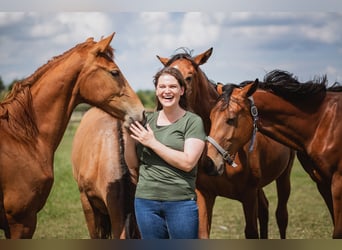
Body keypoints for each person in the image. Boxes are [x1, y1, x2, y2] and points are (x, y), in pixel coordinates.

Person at [128, 66, 206, 239]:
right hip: (145, 202)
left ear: (182, 90)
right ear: (156, 91)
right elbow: (133, 164)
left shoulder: (192, 122)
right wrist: (128, 138)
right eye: (162, 87)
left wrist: (152, 142)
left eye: (172, 86)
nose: (167, 91)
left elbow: (188, 163)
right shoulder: (147, 120)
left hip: (181, 203)